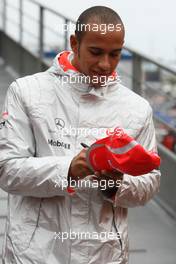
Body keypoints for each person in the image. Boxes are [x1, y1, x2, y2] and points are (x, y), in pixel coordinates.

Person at [0, 6, 160, 264]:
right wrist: (69, 169)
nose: (105, 64)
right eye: (95, 52)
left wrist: (116, 185)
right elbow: (6, 169)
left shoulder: (137, 108)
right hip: (33, 255)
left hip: (105, 255)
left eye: (115, 54)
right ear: (74, 43)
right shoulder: (26, 92)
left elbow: (150, 182)